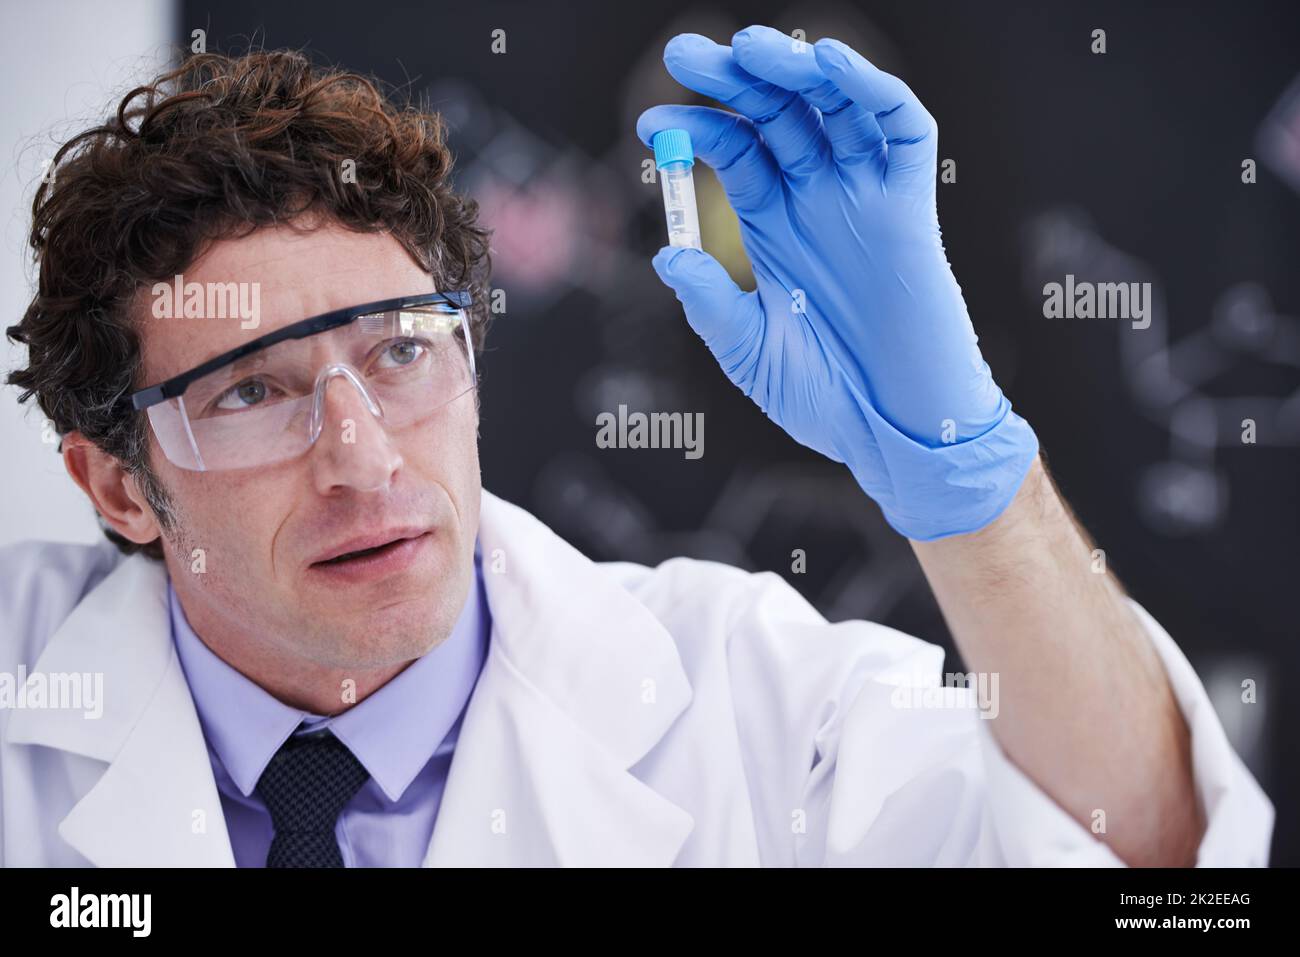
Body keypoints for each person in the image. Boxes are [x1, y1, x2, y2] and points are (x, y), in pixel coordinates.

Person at [0, 26, 1272, 867]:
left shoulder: (746, 698)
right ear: (118, 484)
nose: (364, 458)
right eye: (250, 395)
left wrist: (966, 477)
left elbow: (1151, 863)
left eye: (400, 353)